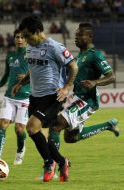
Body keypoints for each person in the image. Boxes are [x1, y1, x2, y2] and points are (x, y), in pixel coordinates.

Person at [12, 15, 78, 182]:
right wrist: (22, 82)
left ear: (38, 31)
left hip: (52, 96)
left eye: (28, 35)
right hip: (35, 96)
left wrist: (66, 87)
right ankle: (62, 162)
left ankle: (49, 163)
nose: (25, 40)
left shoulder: (55, 47)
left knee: (32, 127)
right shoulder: (30, 47)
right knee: (39, 134)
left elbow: (73, 66)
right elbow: (33, 69)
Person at [49, 22, 120, 154]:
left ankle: (52, 165)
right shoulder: (78, 57)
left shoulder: (95, 55)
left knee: (56, 125)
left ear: (90, 36)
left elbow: (111, 76)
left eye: (80, 35)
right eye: (76, 35)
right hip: (77, 98)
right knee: (71, 138)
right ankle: (108, 125)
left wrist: (95, 82)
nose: (76, 37)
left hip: (88, 101)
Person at [0, 29, 30, 165]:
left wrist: (26, 78)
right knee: (3, 124)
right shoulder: (10, 56)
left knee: (19, 129)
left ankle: (21, 149)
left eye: (22, 37)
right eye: (17, 37)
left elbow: (38, 74)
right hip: (9, 96)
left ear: (26, 39)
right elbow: (6, 74)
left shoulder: (31, 55)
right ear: (14, 39)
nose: (19, 39)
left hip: (25, 97)